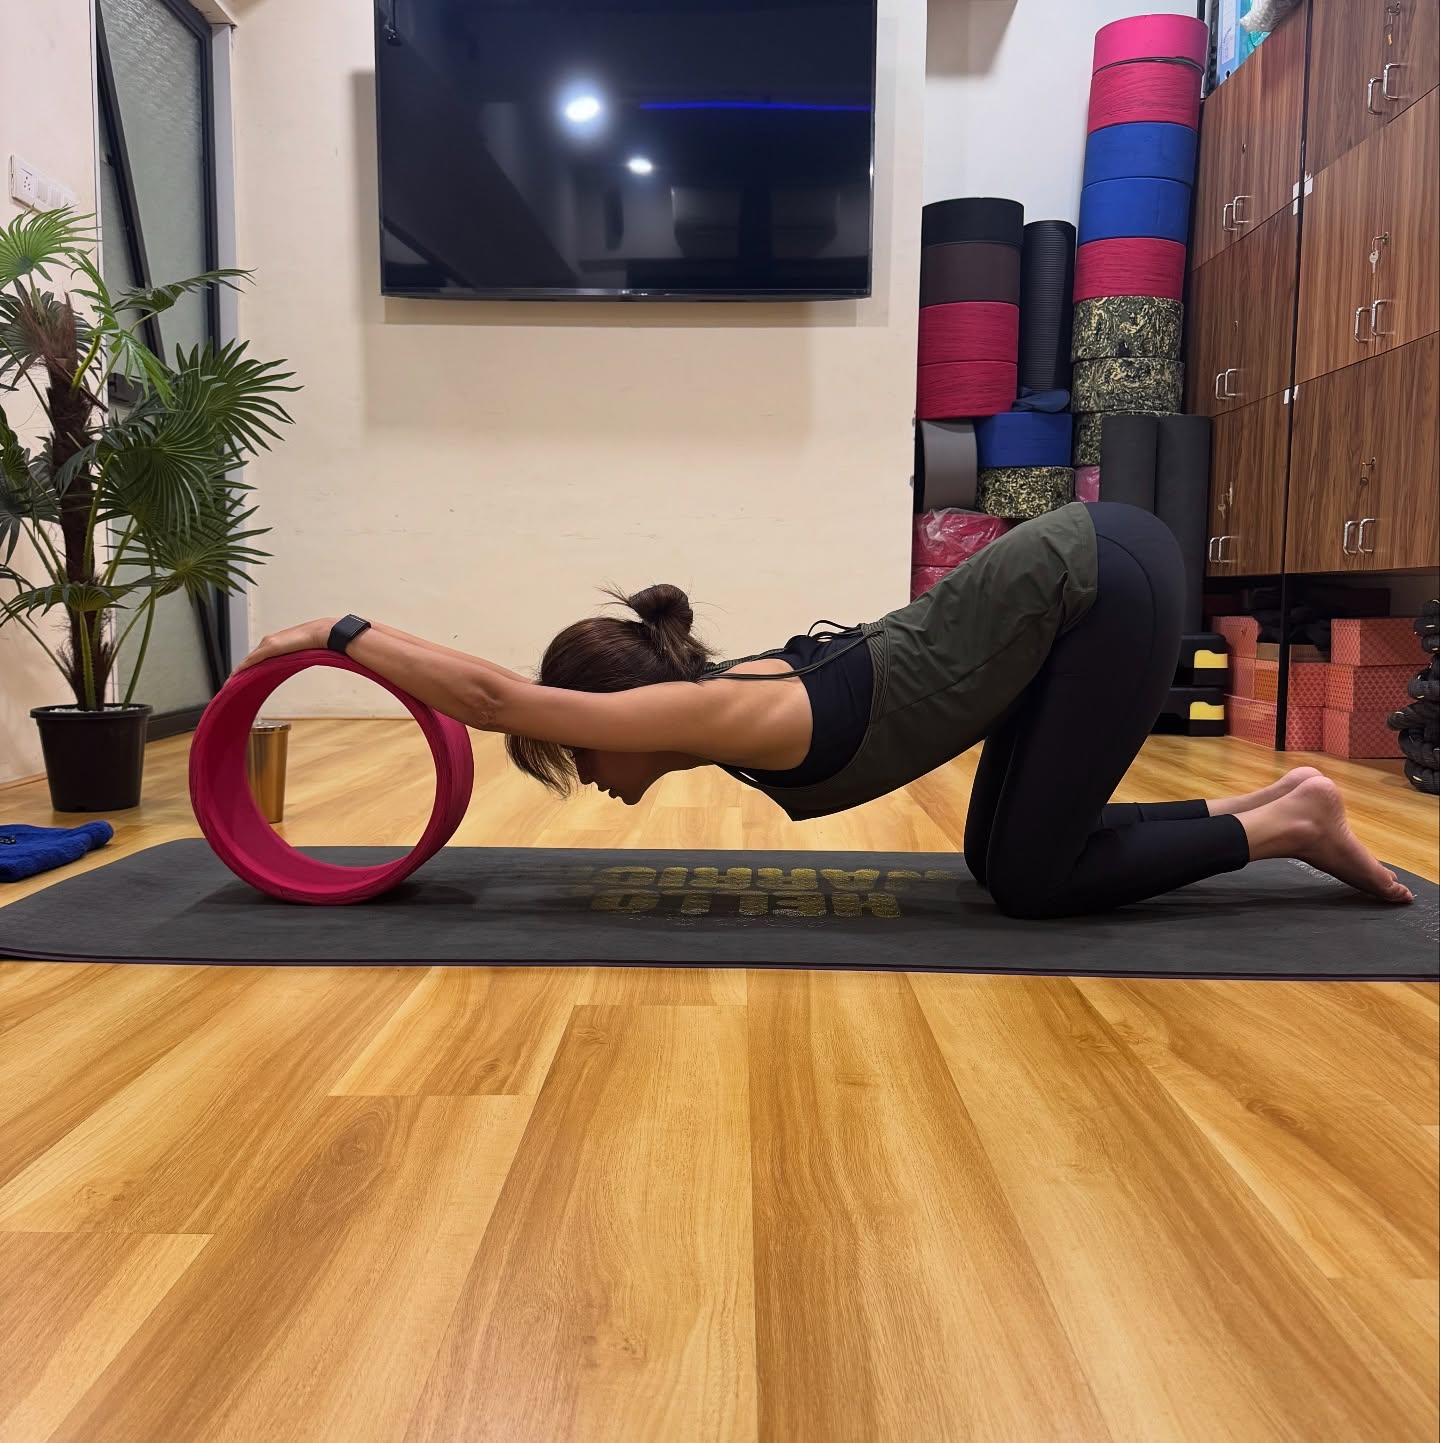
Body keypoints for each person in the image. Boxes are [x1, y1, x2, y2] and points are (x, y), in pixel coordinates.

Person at [238, 501, 1414, 918]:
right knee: (1003, 861)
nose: (587, 773)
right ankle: (1277, 803)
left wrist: (334, 630)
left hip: (1101, 585)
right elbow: (509, 694)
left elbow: (495, 696)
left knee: (1034, 882)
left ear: (621, 712)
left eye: (579, 748)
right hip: (1082, 584)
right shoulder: (714, 700)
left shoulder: (706, 715)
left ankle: (1286, 826)